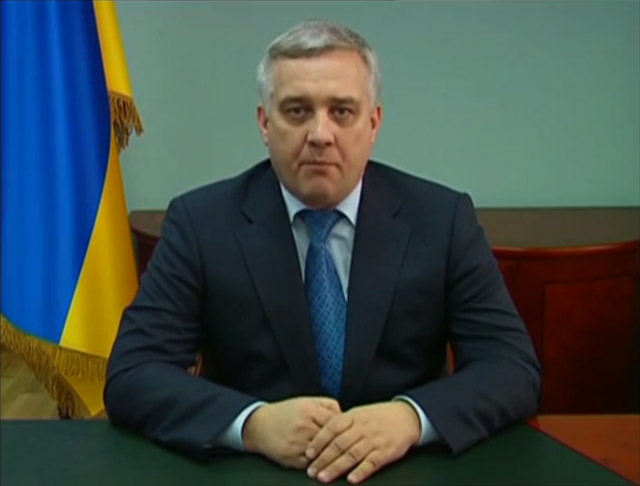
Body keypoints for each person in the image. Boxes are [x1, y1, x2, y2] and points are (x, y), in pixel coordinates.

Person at [105, 19, 540, 484]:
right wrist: (253, 425)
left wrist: (410, 418)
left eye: (342, 111)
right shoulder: (201, 223)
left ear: (373, 122)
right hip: (255, 472)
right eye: (297, 111)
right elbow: (134, 372)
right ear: (264, 123)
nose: (320, 134)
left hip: (404, 470)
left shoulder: (441, 219)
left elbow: (511, 367)